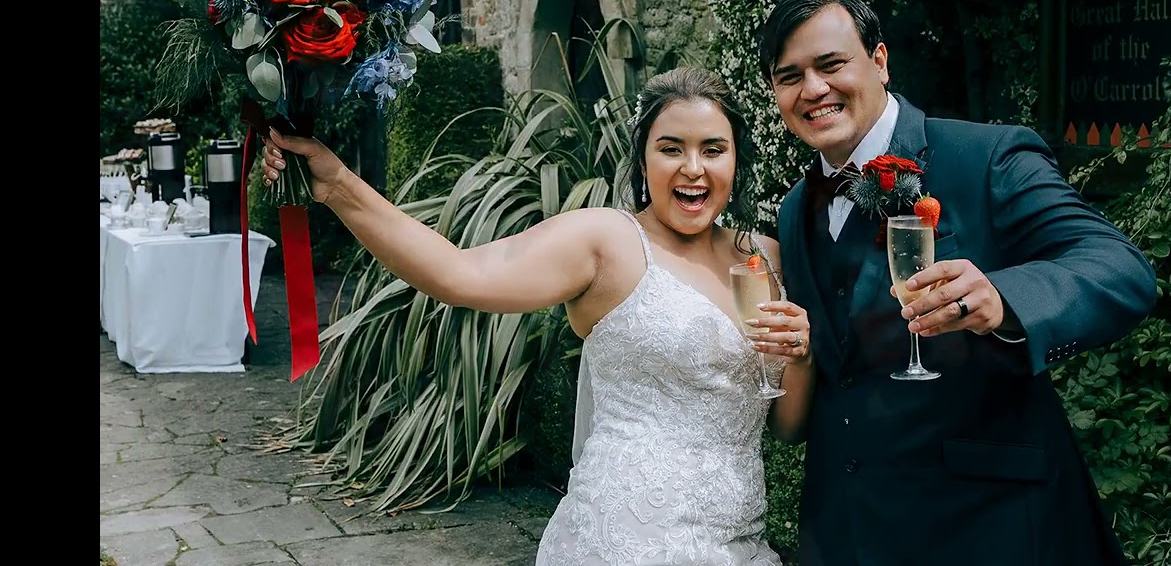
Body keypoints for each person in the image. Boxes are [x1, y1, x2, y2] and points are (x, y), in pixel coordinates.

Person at [259, 66, 816, 565]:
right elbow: (457, 274)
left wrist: (802, 354)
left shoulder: (762, 258)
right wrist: (337, 185)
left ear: (735, 158)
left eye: (713, 149)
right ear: (643, 159)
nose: (693, 169)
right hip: (629, 539)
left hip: (738, 538)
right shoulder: (609, 241)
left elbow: (786, 426)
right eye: (671, 148)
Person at [756, 0, 1157, 566]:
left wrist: (1006, 298)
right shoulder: (795, 209)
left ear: (880, 62)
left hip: (991, 526)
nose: (813, 89)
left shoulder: (987, 156)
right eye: (789, 75)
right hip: (847, 531)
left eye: (831, 64)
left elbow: (1121, 270)